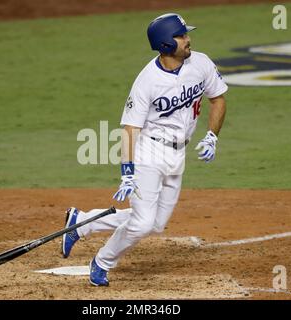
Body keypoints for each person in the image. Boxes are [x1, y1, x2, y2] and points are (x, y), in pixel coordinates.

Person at [62, 13, 228, 286]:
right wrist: (127, 172)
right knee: (141, 223)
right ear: (165, 45)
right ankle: (102, 262)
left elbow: (218, 99)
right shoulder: (147, 81)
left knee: (155, 223)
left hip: (178, 155)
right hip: (148, 153)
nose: (188, 39)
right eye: (182, 36)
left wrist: (212, 136)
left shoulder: (201, 63)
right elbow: (130, 130)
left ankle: (82, 222)